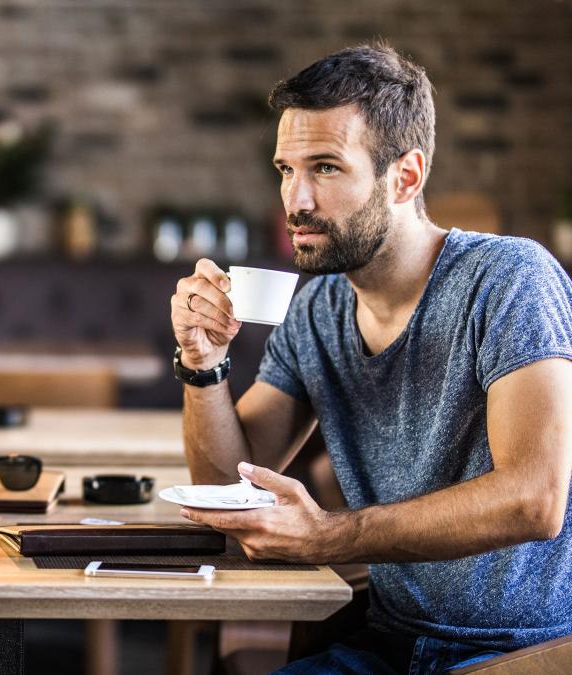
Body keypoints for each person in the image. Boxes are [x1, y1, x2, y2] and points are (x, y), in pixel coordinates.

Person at [169, 44, 572, 673]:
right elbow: (228, 485)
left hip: (522, 654)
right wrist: (204, 363)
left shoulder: (508, 280)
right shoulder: (320, 307)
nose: (295, 200)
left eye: (325, 168)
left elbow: (535, 499)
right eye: (285, 169)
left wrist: (333, 534)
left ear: (405, 177)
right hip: (385, 643)